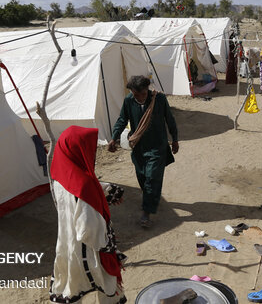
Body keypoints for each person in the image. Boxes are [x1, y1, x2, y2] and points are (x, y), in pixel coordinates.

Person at [49, 126, 126, 304]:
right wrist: (106, 245)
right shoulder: (84, 187)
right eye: (88, 148)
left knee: (72, 285)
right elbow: (87, 228)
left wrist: (105, 190)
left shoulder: (60, 174)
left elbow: (77, 192)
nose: (92, 153)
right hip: (90, 250)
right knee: (107, 285)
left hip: (68, 244)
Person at [108, 75, 178, 228]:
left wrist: (175, 139)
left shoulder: (158, 99)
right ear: (132, 92)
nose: (140, 97)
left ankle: (147, 211)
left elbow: (169, 119)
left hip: (157, 146)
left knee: (152, 177)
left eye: (143, 94)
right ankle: (150, 197)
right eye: (136, 94)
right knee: (142, 176)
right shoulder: (128, 100)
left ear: (148, 89)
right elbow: (122, 119)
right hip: (139, 147)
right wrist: (114, 137)